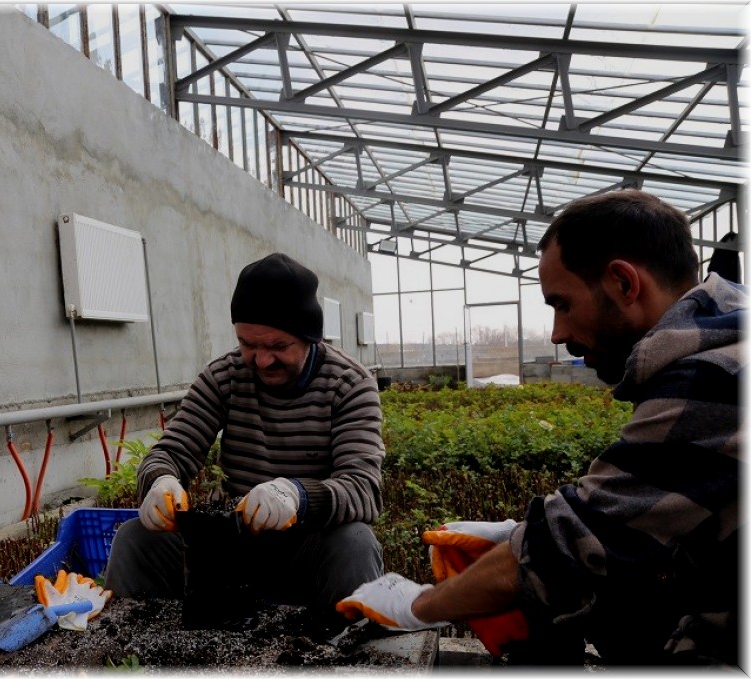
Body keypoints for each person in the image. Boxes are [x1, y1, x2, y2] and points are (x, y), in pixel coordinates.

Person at [337, 190, 743, 666]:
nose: (556, 333)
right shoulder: (720, 349)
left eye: (562, 304)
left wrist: (417, 605)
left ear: (623, 283)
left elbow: (572, 544)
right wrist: (521, 533)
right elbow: (644, 515)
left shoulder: (715, 379)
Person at [105, 252, 385, 618]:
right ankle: (131, 659)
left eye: (277, 347)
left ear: (309, 337)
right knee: (135, 538)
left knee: (355, 542)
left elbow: (363, 488)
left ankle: (350, 658)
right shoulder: (226, 376)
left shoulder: (348, 384)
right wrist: (161, 481)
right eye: (248, 344)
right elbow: (171, 451)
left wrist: (297, 497)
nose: (262, 360)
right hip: (232, 543)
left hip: (310, 545)